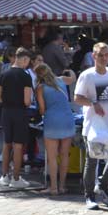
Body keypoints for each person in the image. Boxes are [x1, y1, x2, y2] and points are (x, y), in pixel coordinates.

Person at [73, 43, 108, 209]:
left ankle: (102, 186)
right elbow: (77, 98)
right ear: (94, 56)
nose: (104, 58)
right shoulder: (87, 76)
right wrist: (93, 103)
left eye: (106, 55)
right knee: (93, 161)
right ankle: (89, 196)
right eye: (100, 55)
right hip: (93, 127)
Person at [34, 64, 75, 195]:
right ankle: (63, 186)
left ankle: (53, 188)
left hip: (52, 121)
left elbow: (42, 109)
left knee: (52, 157)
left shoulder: (40, 88)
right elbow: (73, 78)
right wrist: (69, 70)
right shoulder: (62, 79)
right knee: (64, 155)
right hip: (67, 119)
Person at [0, 48, 34, 189]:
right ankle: (16, 178)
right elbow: (27, 101)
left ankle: (4, 176)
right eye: (28, 62)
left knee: (6, 144)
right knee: (18, 146)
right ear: (24, 59)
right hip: (19, 113)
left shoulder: (4, 74)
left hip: (6, 111)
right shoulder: (26, 76)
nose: (27, 65)